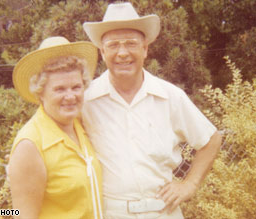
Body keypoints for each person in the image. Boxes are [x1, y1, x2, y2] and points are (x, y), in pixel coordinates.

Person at [82, 2, 222, 218]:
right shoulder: (86, 100)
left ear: (145, 49)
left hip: (163, 212)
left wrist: (190, 184)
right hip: (109, 213)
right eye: (113, 45)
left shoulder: (170, 96)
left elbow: (211, 139)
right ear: (102, 52)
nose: (122, 53)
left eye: (131, 43)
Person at [8, 36, 103, 219]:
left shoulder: (80, 127)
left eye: (76, 87)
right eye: (59, 89)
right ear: (40, 93)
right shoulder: (30, 145)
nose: (70, 96)